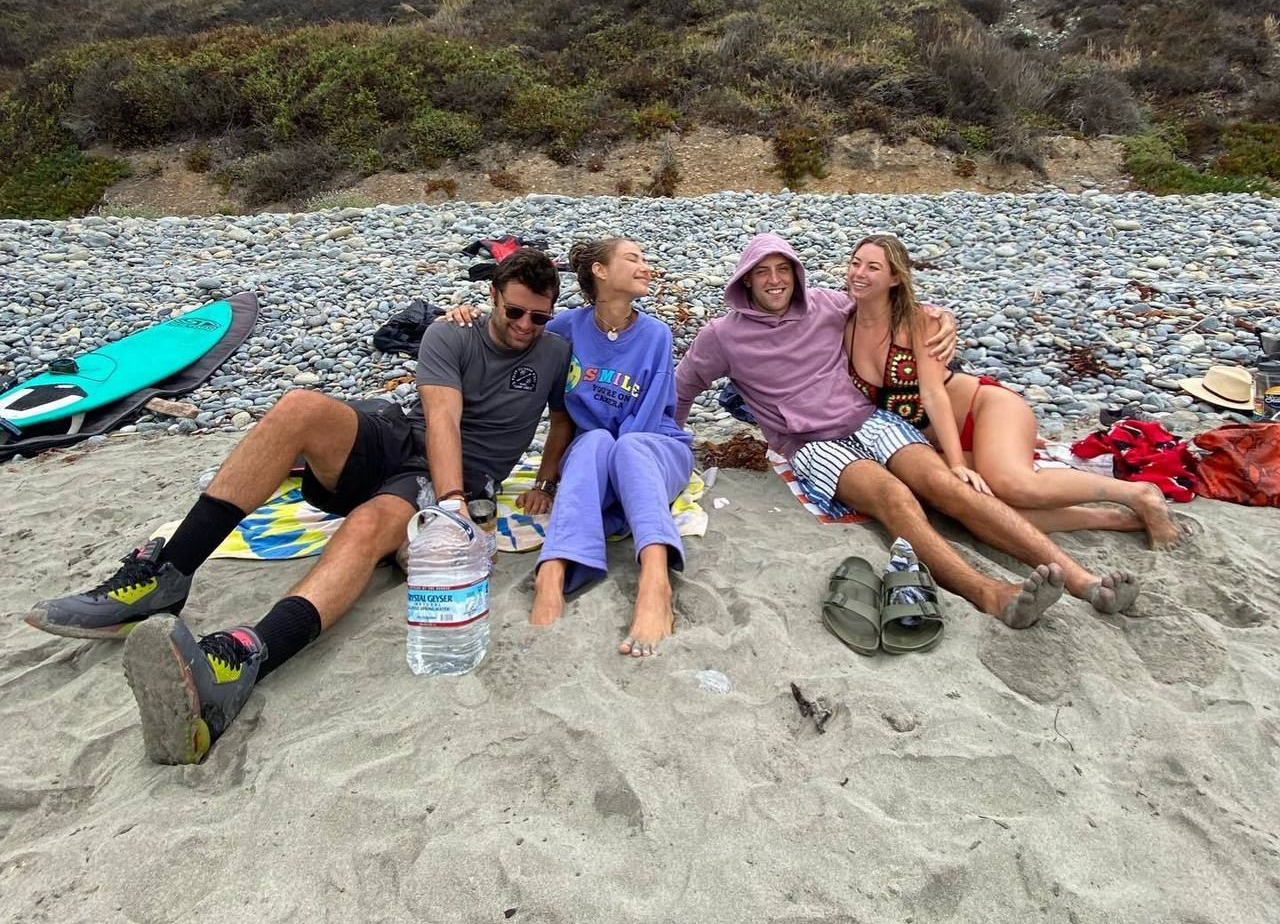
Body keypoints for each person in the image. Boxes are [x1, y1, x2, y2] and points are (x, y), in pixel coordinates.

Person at [26, 248, 574, 764]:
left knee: (369, 524)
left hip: (446, 475)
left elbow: (568, 413)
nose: (526, 327)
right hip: (405, 437)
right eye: (515, 312)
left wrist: (542, 482)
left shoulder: (555, 350)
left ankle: (245, 656)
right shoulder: (449, 333)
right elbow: (442, 420)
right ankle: (166, 574)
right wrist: (453, 506)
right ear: (493, 297)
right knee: (298, 407)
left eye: (540, 318)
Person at [674, 234, 1141, 629]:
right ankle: (991, 593)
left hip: (870, 420)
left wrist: (943, 317)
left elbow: (895, 304)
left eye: (783, 269)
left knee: (945, 484)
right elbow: (684, 385)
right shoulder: (722, 336)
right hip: (811, 444)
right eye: (762, 272)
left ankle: (1083, 580)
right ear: (745, 280)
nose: (775, 280)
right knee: (895, 498)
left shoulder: (827, 305)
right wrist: (671, 444)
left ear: (797, 273)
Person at [842, 233, 1188, 550]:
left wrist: (959, 463)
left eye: (873, 267)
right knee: (979, 509)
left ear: (895, 278)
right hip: (931, 440)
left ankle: (1138, 495)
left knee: (1013, 485)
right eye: (856, 263)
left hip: (985, 410)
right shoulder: (843, 323)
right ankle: (1115, 520)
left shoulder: (920, 321)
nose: (860, 273)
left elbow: (933, 394)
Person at [444, 238, 694, 658]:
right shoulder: (563, 330)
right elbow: (509, 339)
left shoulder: (656, 335)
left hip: (655, 449)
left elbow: (650, 417)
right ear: (599, 271)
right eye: (633, 258)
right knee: (593, 438)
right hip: (591, 456)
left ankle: (655, 581)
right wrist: (461, 316)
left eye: (645, 259)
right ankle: (553, 572)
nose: (646, 267)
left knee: (627, 445)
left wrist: (603, 490)